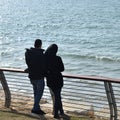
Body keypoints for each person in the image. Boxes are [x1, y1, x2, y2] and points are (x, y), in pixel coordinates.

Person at [25, 39, 46, 115]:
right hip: (39, 77)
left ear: (34, 44)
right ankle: (35, 108)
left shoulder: (28, 53)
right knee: (39, 93)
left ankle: (37, 108)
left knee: (36, 93)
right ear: (40, 45)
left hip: (31, 76)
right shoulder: (41, 55)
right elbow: (43, 66)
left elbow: (29, 63)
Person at [45, 44, 65, 119]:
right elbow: (62, 69)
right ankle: (56, 113)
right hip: (58, 79)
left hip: (50, 79)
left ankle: (61, 111)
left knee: (57, 96)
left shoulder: (45, 58)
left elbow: (44, 68)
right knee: (57, 96)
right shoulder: (58, 58)